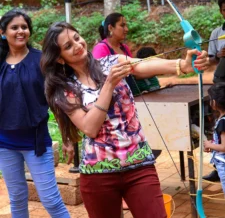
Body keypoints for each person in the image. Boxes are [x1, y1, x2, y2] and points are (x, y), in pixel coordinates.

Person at [40, 21, 208, 218]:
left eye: (77, 38)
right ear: (60, 58)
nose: (77, 45)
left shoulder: (113, 62)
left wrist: (183, 65)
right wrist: (108, 84)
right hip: (98, 174)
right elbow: (90, 128)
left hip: (139, 165)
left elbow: (143, 66)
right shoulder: (65, 89)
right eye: (68, 46)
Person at [0, 10, 71, 218]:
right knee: (17, 198)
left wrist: (66, 137)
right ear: (3, 32)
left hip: (36, 142)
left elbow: (57, 101)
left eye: (24, 27)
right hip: (4, 144)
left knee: (50, 200)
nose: (21, 31)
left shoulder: (41, 61)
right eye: (15, 27)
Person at [203, 0, 225, 182]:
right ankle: (218, 167)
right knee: (219, 122)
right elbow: (210, 60)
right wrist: (218, 55)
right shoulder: (216, 33)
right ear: (221, 11)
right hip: (221, 81)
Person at [203, 83, 225, 194]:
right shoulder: (222, 118)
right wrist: (214, 144)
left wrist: (209, 145)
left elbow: (224, 147)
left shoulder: (223, 122)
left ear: (214, 103)